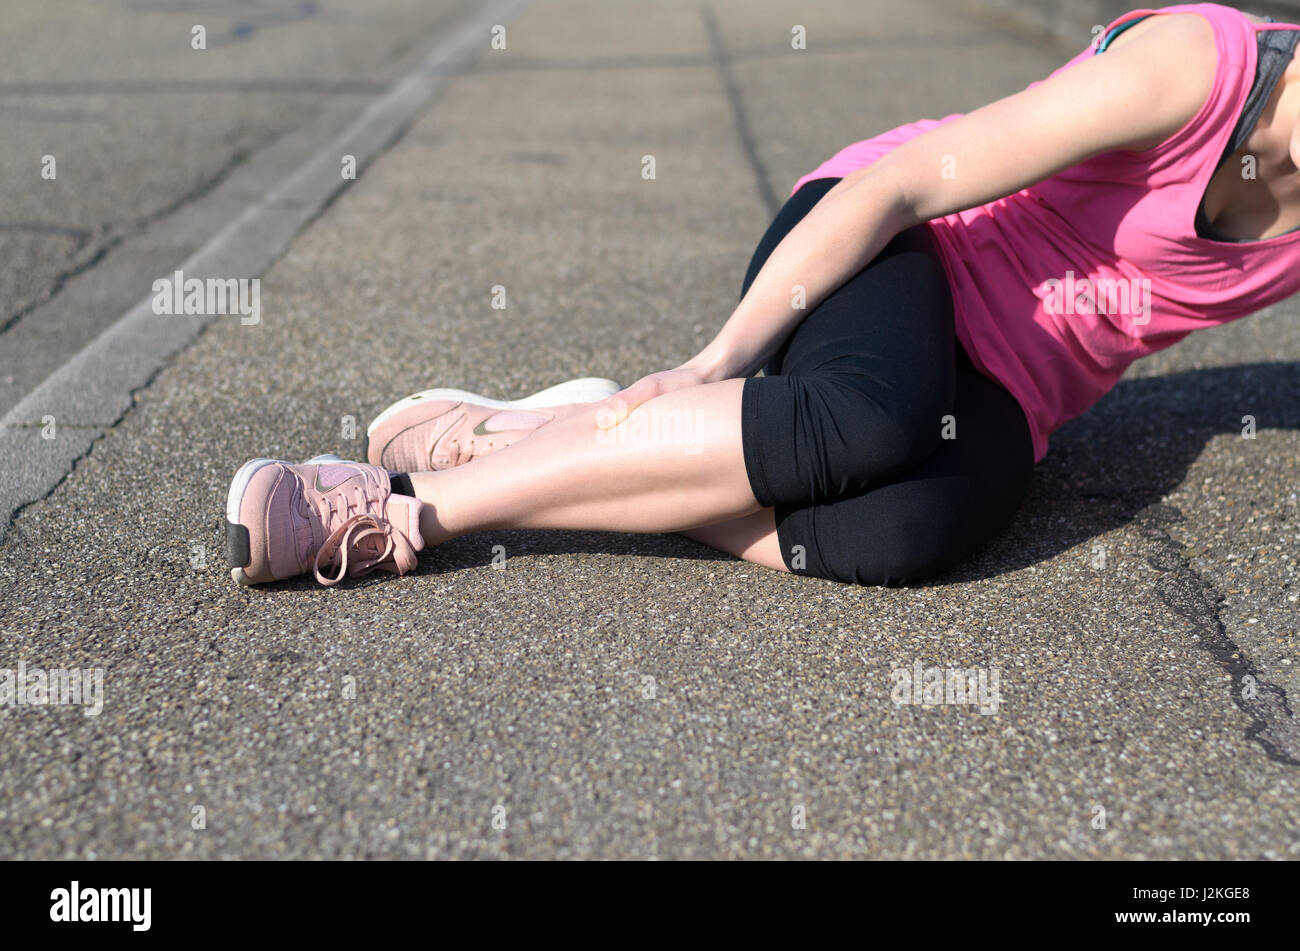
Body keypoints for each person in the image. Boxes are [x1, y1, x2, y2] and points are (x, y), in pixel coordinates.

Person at [225, 3, 1300, 587]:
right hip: (893, 243)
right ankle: (403, 507)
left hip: (1014, 383)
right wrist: (714, 362)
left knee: (902, 535)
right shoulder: (1194, 66)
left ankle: (530, 429)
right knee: (863, 421)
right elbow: (898, 186)